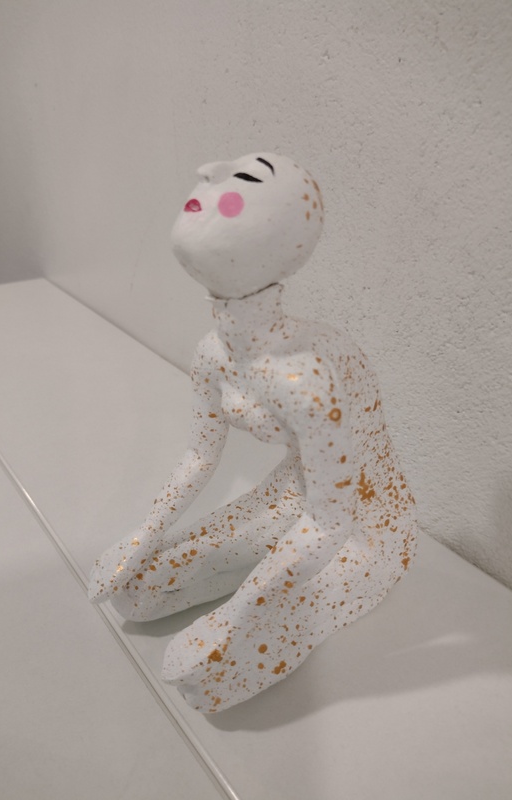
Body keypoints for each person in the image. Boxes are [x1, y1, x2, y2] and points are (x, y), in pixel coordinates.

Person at [89, 153, 417, 713]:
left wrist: (237, 614)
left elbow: (331, 519)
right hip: (293, 497)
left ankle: (257, 624)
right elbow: (199, 455)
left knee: (206, 677)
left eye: (246, 177)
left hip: (364, 526)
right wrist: (144, 533)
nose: (208, 171)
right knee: (136, 592)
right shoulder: (213, 354)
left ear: (289, 244)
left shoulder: (305, 378)